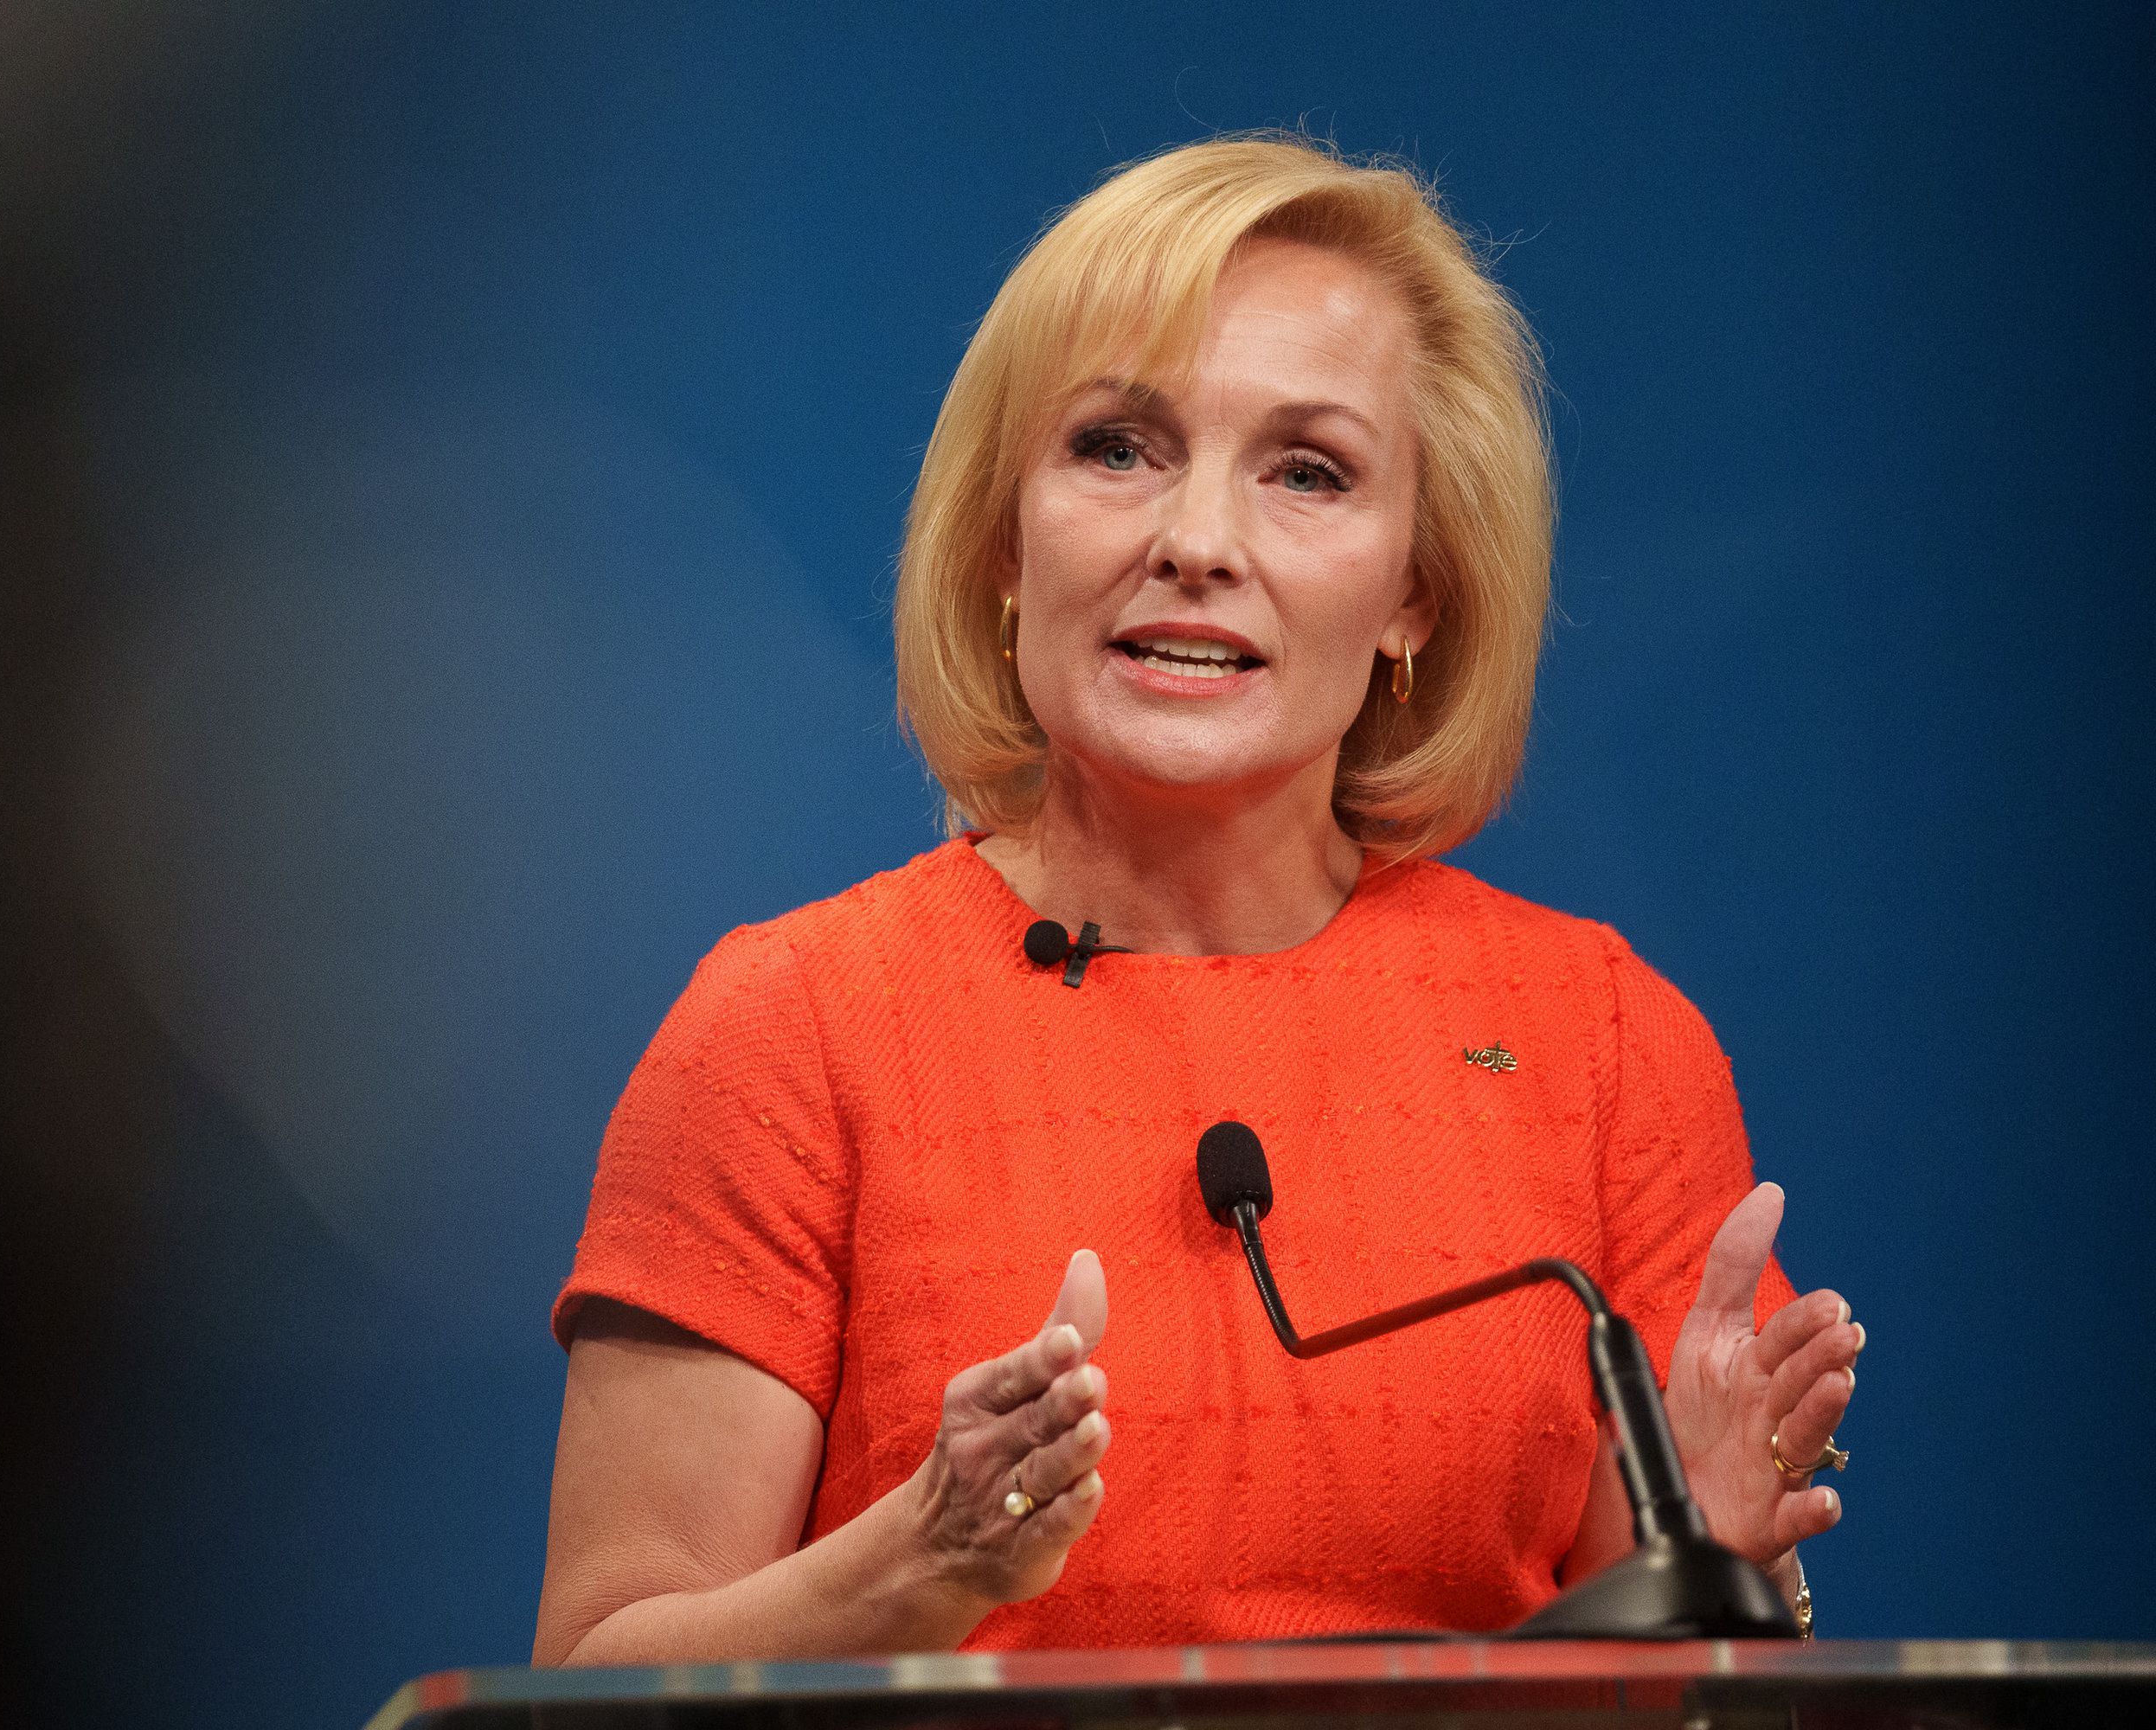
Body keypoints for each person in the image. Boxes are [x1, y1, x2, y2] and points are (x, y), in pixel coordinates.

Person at [531, 135, 1862, 1664]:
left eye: (1308, 472)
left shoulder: (1600, 1043)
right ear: (1005, 542)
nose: (1196, 543)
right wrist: (915, 1565)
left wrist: (1717, 1571)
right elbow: (589, 1686)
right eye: (1117, 448)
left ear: (1415, 594)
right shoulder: (797, 1029)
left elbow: (1667, 1693)